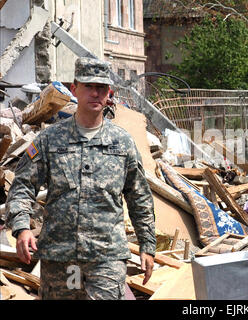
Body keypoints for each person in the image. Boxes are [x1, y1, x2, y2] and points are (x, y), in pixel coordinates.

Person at [5, 57, 156, 300]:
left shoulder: (122, 143)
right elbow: (22, 186)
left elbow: (139, 197)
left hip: (106, 258)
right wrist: (22, 228)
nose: (95, 93)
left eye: (101, 88)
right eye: (89, 86)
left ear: (110, 93)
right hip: (60, 259)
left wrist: (147, 246)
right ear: (75, 89)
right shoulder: (49, 140)